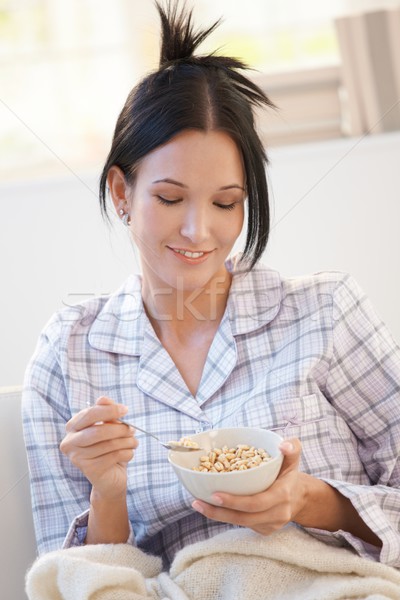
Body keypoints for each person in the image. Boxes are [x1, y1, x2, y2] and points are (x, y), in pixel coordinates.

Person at [22, 0, 400, 572]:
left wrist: (310, 501)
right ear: (123, 193)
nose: (200, 230)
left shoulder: (325, 312)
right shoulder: (69, 354)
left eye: (226, 203)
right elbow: (70, 580)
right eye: (170, 198)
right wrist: (107, 492)